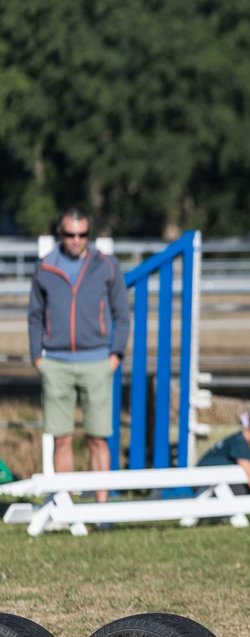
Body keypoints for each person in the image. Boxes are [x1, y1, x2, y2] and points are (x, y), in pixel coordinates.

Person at [27, 206, 130, 503]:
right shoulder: (45, 266)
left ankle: (101, 507)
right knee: (62, 438)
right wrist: (38, 357)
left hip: (97, 361)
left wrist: (115, 355)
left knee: (98, 438)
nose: (76, 240)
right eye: (70, 234)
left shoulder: (106, 265)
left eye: (82, 234)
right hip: (55, 363)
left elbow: (122, 314)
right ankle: (67, 506)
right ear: (60, 234)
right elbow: (34, 315)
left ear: (89, 234)